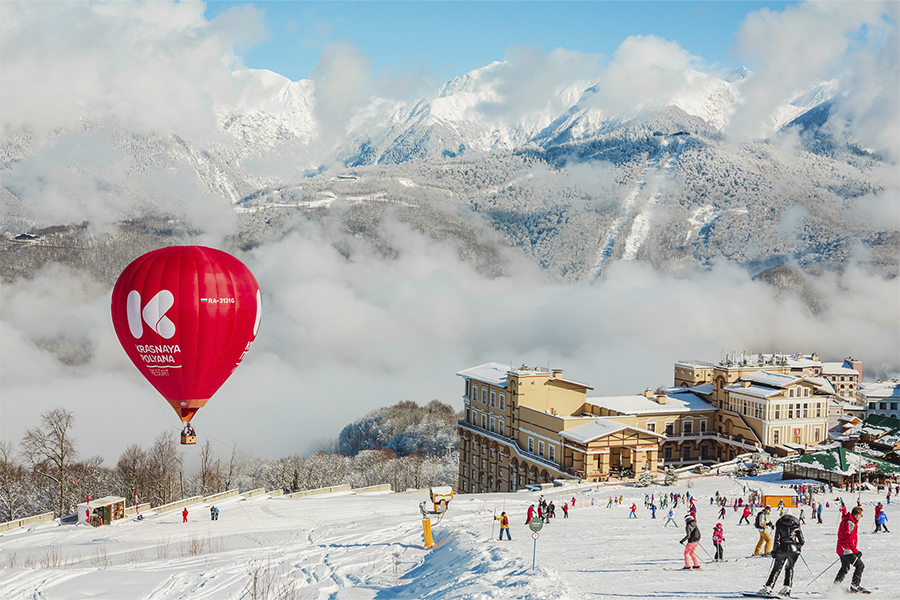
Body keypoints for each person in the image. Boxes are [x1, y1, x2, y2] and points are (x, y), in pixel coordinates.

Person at [758, 508, 804, 597]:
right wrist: (796, 546)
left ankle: (768, 587)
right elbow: (802, 541)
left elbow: (777, 541)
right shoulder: (796, 526)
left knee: (776, 569)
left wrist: (774, 551)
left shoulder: (780, 525)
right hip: (794, 550)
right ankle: (787, 588)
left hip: (782, 549)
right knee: (789, 568)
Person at [833, 506, 868, 593]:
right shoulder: (850, 523)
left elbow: (844, 514)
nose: (861, 517)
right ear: (857, 515)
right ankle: (855, 585)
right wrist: (855, 551)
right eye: (861, 515)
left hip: (841, 549)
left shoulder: (849, 520)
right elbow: (849, 538)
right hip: (846, 549)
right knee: (860, 565)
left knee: (845, 567)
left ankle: (835, 587)